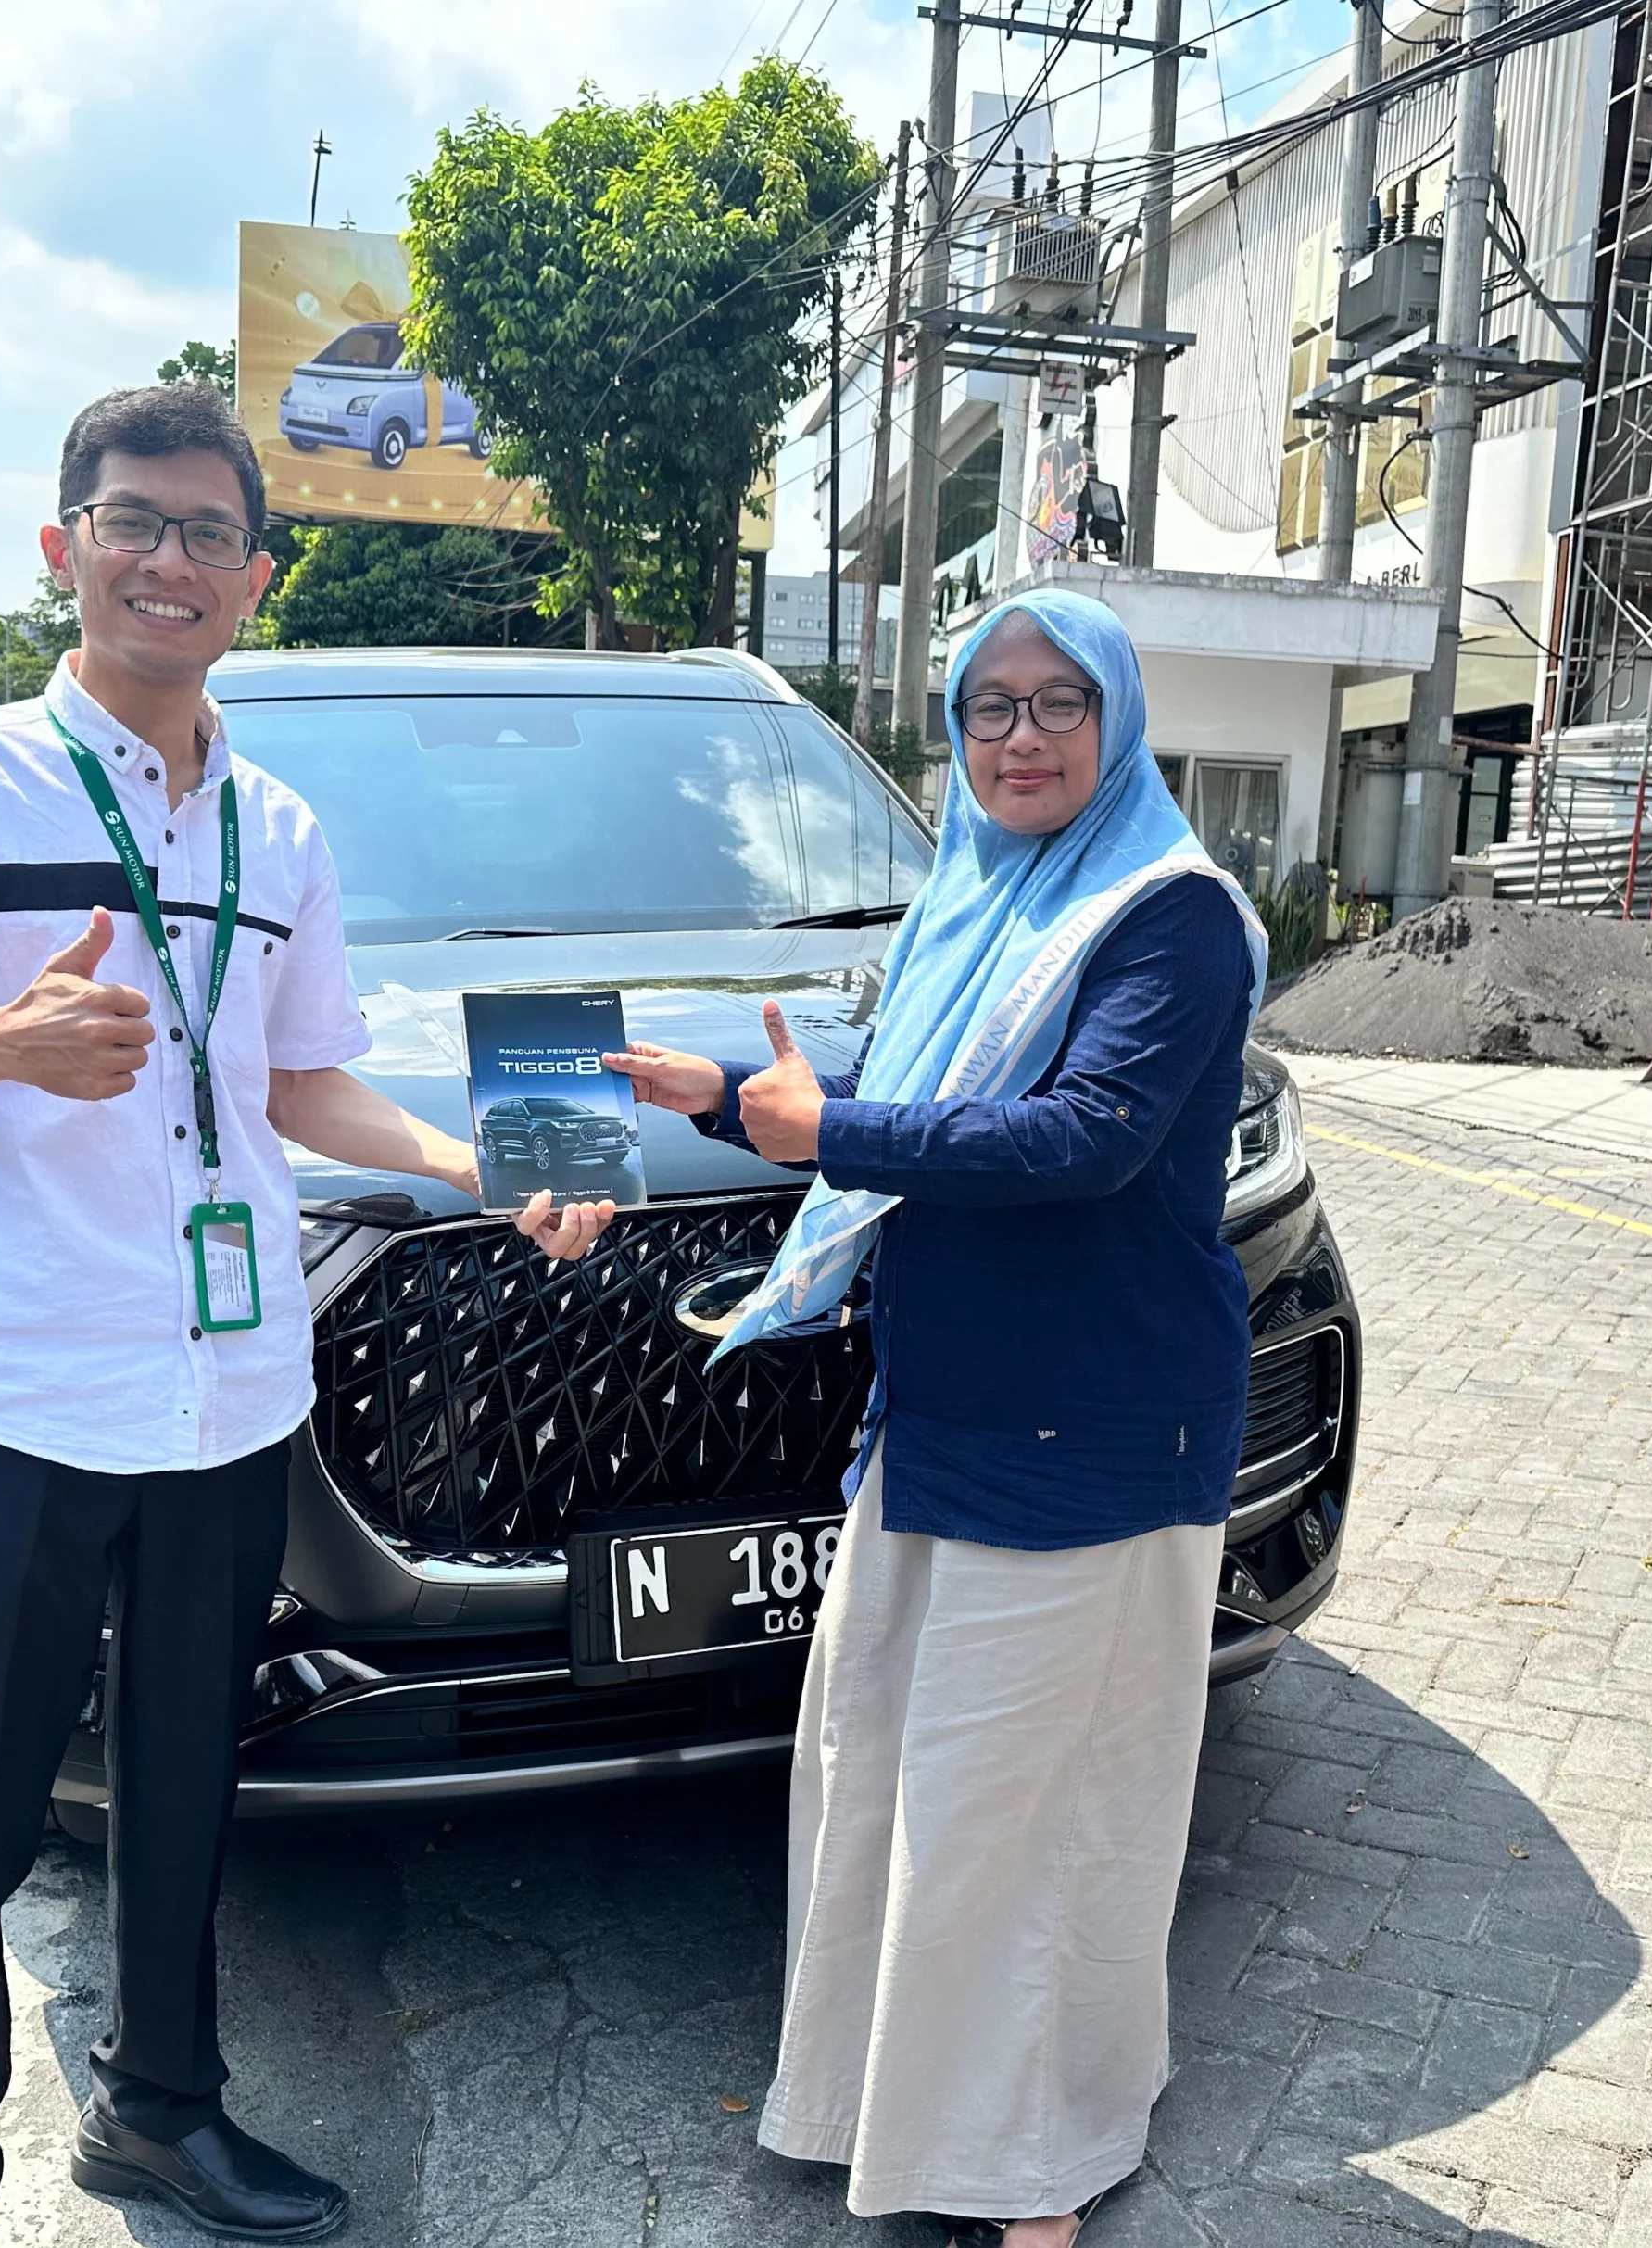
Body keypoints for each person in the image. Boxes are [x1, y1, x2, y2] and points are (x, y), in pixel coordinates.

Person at [0, 381, 614, 2248]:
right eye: (133, 523)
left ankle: (161, 2110)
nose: (170, 561)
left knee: (181, 1784)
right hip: (17, 1385)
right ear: (63, 546)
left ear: (258, 572)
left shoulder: (283, 826)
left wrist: (484, 1160)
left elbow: (308, 1085)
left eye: (207, 534)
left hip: (233, 1394)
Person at [606, 587, 1266, 2248]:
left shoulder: (1165, 912)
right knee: (892, 1778)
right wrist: (719, 1087)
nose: (1022, 738)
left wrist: (826, 1128)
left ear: (1117, 723)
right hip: (946, 1414)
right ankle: (886, 2112)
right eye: (989, 709)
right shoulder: (979, 895)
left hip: (1097, 1439)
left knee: (1030, 1819)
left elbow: (1080, 1136)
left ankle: (1028, 2169)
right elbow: (912, 1058)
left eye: (1058, 705)